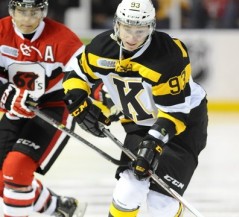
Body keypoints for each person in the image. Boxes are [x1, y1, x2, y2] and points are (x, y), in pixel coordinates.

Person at [63, 0, 208, 216]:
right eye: (127, 29)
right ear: (116, 24)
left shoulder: (168, 56)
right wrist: (78, 103)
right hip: (139, 126)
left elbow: (175, 114)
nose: (132, 38)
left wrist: (153, 145)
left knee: (162, 205)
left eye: (140, 31)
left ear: (151, 27)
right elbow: (76, 72)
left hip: (183, 127)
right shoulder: (102, 48)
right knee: (128, 190)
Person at [0, 0, 86, 216]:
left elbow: (87, 77)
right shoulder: (1, 32)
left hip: (52, 108)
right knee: (5, 177)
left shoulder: (64, 39)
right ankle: (58, 207)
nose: (27, 20)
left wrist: (98, 99)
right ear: (12, 10)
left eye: (34, 12)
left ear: (43, 11)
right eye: (21, 12)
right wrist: (4, 95)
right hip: (16, 109)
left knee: (16, 169)